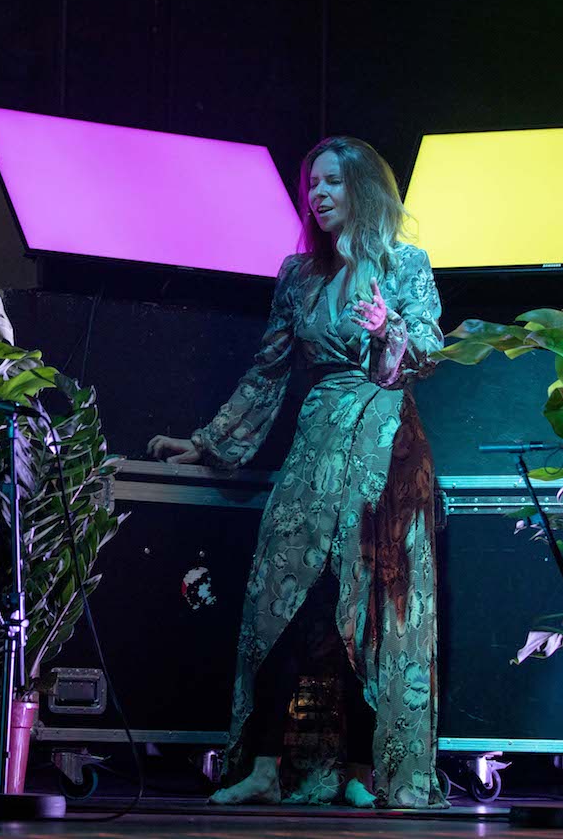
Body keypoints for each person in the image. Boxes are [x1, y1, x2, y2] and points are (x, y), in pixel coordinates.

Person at [147, 135, 446, 809]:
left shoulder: (404, 264)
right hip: (317, 438)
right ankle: (273, 765)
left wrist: (389, 330)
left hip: (386, 444)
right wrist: (210, 443)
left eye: (332, 182)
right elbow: (269, 367)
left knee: (374, 607)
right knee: (282, 599)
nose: (318, 195)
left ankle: (372, 771)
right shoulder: (297, 274)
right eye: (312, 184)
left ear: (363, 189)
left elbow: (428, 346)